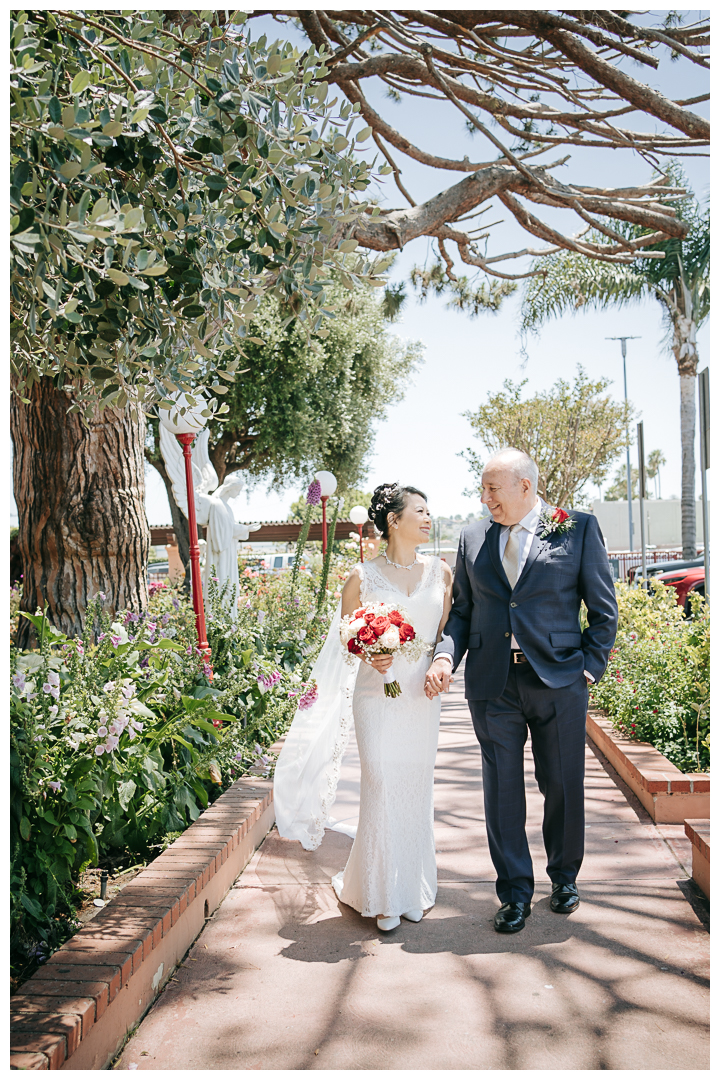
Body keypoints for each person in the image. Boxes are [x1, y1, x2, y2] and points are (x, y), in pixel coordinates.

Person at [425, 448, 618, 934]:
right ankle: (514, 893)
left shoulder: (576, 527)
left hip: (559, 681)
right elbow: (464, 611)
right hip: (493, 684)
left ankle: (564, 877)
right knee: (502, 791)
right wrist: (446, 654)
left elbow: (603, 609)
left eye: (493, 488)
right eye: (483, 488)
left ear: (525, 487)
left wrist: (588, 671)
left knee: (562, 784)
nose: (485, 497)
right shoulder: (471, 536)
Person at [274, 483, 453, 933]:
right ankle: (380, 895)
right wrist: (368, 652)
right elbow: (343, 641)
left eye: (429, 511)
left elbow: (446, 633)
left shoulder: (442, 574)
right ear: (394, 521)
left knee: (414, 787)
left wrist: (441, 663)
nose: (428, 518)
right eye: (420, 510)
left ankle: (410, 887)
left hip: (420, 698)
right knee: (381, 783)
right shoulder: (362, 576)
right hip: (377, 696)